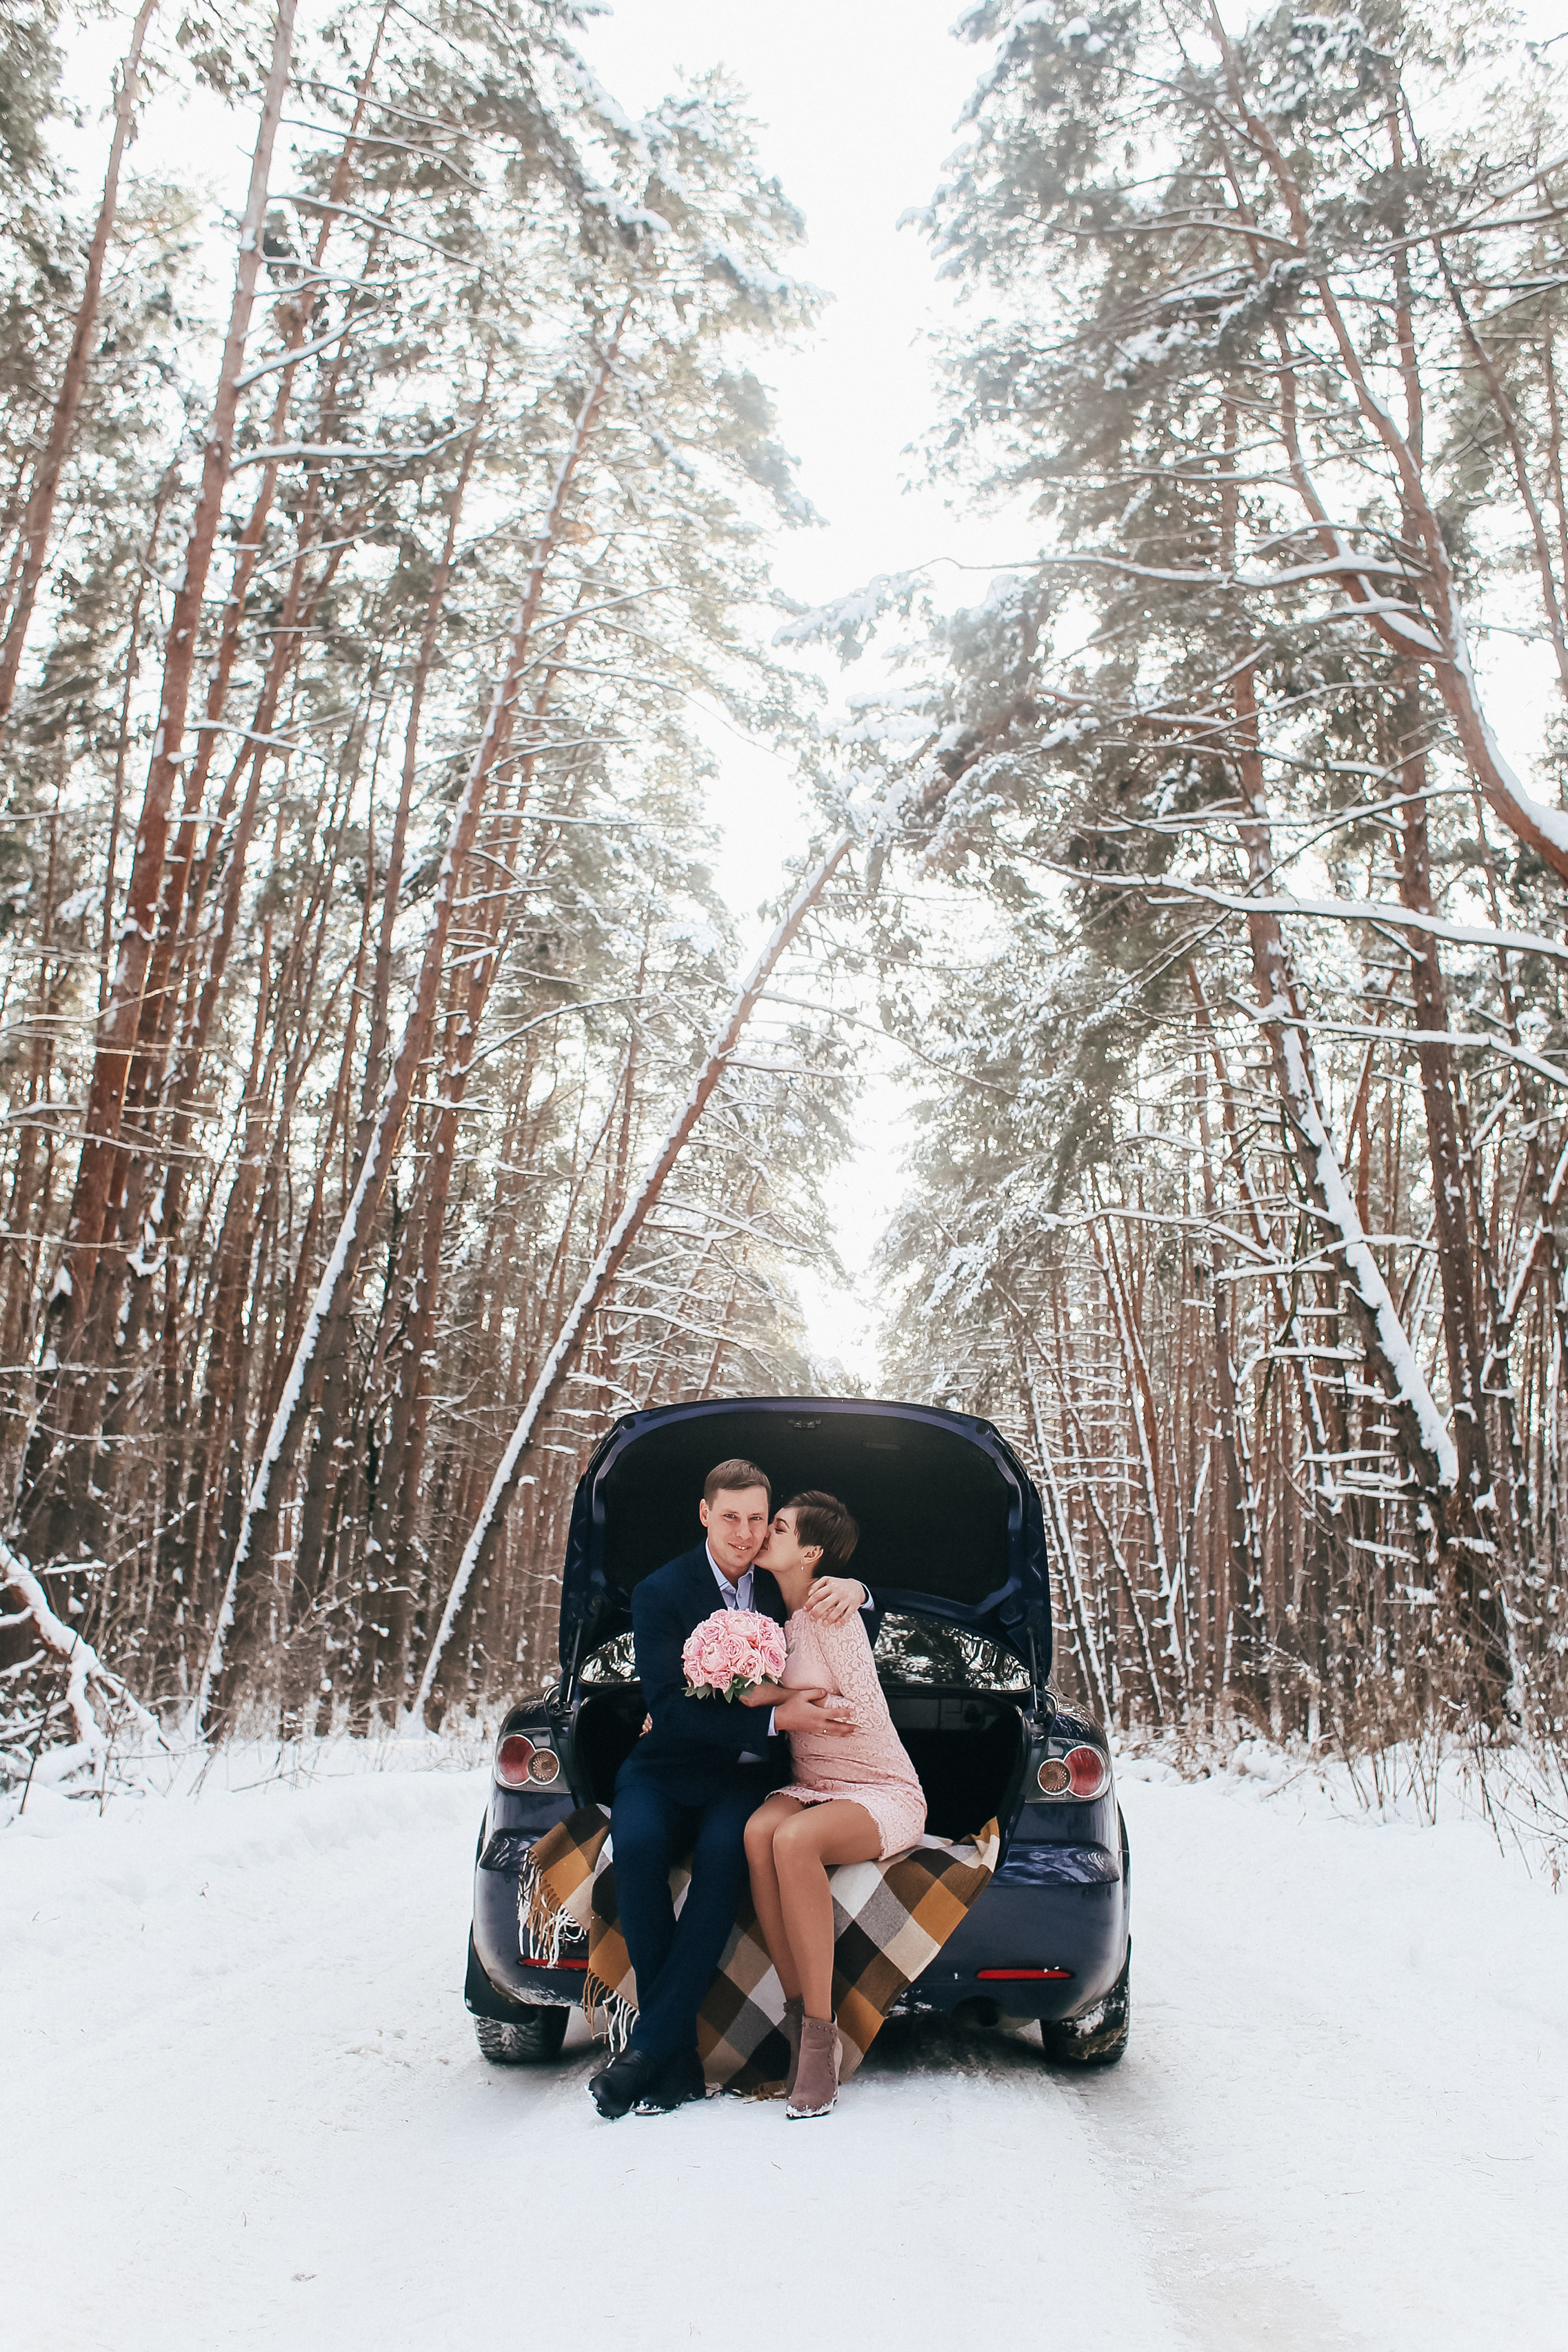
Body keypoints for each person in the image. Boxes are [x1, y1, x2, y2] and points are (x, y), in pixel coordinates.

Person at [587, 1457, 878, 2120]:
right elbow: (671, 1703)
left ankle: (646, 2053)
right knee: (636, 1852)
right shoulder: (662, 1592)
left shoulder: (782, 1581)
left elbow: (857, 1626)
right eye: (731, 1518)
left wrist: (861, 1589)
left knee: (724, 1859)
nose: (746, 1533)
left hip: (744, 1776)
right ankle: (677, 2056)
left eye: (757, 1518)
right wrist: (778, 1715)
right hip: (661, 1767)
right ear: (704, 1514)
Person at [743, 1491, 926, 2120]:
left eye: (783, 1526)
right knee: (759, 1831)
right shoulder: (767, 1612)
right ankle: (796, 2023)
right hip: (812, 1783)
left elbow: (869, 1713)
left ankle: (821, 2039)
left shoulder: (833, 1611)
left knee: (793, 1841)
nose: (768, 1531)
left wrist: (805, 1704)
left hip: (879, 1786)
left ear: (812, 1552)